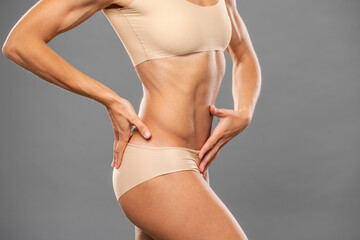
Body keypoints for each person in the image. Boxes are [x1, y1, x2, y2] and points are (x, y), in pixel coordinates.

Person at [2, 0, 261, 239]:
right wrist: (109, 98)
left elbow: (244, 56)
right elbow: (21, 42)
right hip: (155, 161)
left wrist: (245, 111)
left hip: (196, 164)